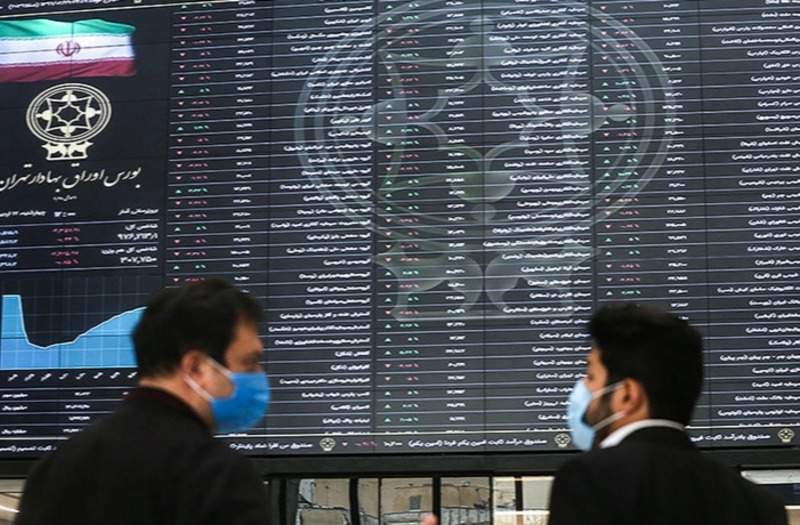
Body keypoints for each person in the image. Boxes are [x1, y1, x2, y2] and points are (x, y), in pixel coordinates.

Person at [17, 279, 271, 525]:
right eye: (249, 362)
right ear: (196, 368)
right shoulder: (219, 476)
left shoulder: (53, 468)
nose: (259, 374)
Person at [549, 303, 788, 525]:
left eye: (591, 377)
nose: (583, 387)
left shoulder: (589, 478)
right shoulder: (760, 503)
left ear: (627, 395)